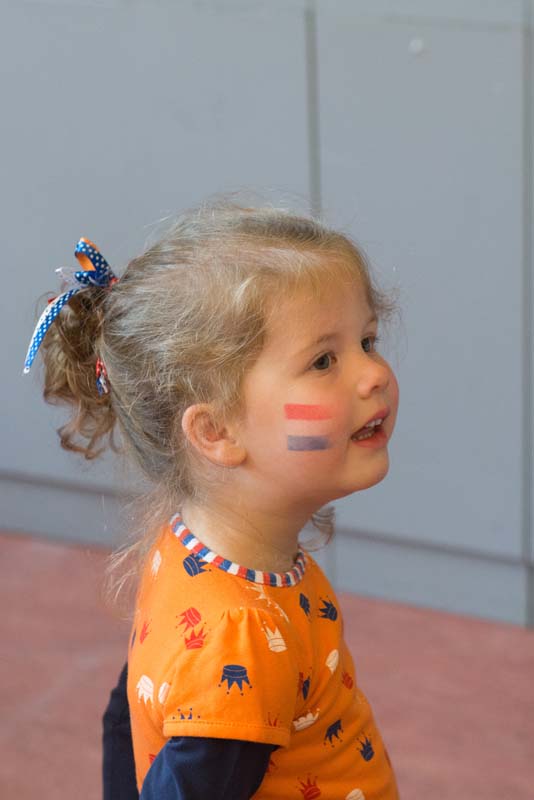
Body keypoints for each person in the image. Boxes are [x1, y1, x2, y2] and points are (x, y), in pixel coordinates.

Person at [23, 199, 401, 799]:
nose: (374, 373)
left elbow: (126, 713)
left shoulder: (186, 550)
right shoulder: (240, 634)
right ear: (216, 432)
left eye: (368, 340)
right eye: (324, 359)